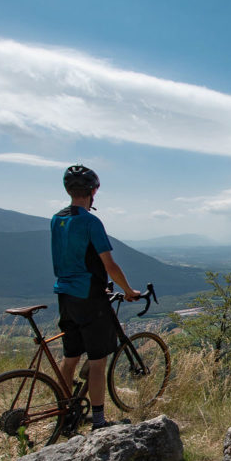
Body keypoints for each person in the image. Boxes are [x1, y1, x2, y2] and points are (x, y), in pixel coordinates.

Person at [51, 164, 140, 430]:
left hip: (65, 296)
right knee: (98, 362)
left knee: (70, 358)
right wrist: (128, 290)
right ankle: (99, 421)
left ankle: (65, 412)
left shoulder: (57, 219)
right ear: (93, 191)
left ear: (68, 190)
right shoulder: (91, 222)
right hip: (90, 298)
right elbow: (109, 264)